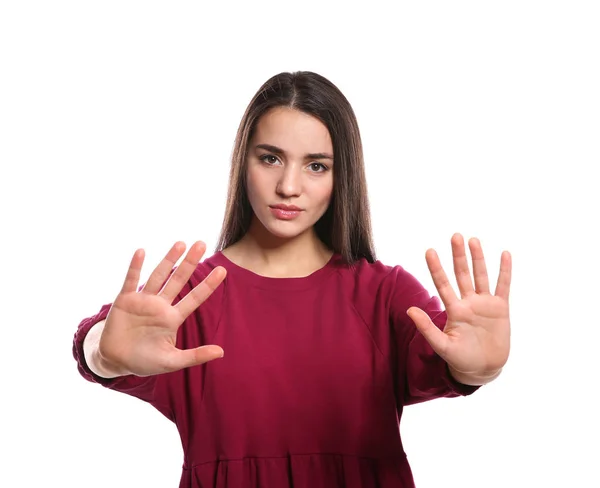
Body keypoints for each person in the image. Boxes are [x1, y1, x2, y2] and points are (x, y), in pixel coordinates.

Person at [73, 71, 512, 488]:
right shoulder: (193, 296)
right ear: (242, 162)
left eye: (316, 166)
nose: (288, 186)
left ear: (344, 176)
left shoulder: (383, 294)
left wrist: (475, 369)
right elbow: (106, 342)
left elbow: (447, 358)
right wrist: (103, 356)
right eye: (270, 158)